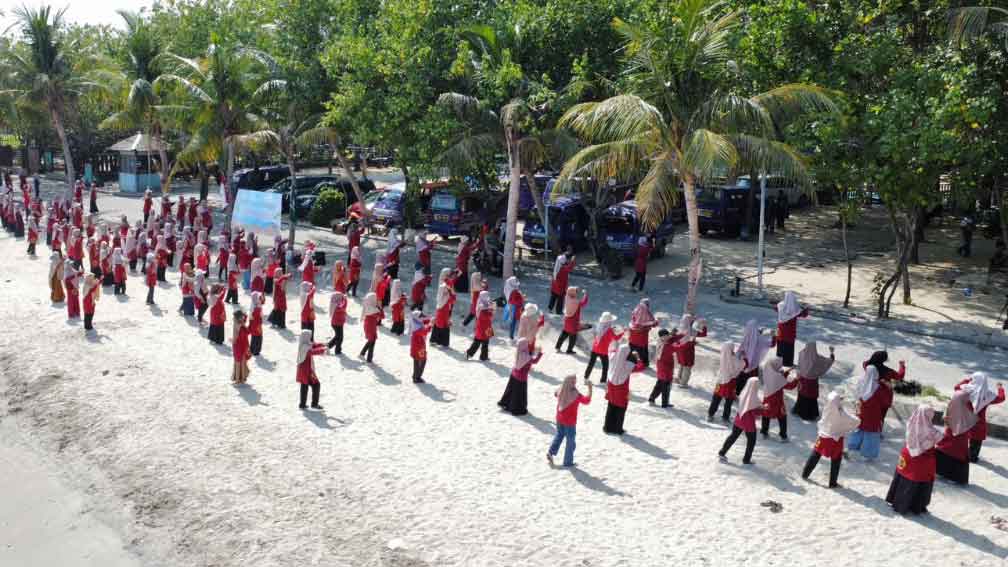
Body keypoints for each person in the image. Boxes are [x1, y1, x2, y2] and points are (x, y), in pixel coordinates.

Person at [886, 405, 944, 515]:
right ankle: (915, 506)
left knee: (903, 479)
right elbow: (940, 437)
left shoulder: (911, 423)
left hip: (907, 455)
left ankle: (897, 502)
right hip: (922, 460)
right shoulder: (931, 432)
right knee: (919, 481)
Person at [802, 392, 859, 488]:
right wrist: (857, 414)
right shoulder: (841, 413)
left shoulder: (827, 408)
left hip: (823, 436)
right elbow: (854, 421)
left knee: (815, 454)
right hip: (835, 440)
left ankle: (805, 474)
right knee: (836, 460)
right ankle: (832, 483)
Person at [955, 372, 1005, 462]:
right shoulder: (988, 395)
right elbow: (1001, 398)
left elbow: (956, 387)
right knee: (976, 442)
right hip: (979, 423)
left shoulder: (966, 389)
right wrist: (1000, 388)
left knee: (964, 439)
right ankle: (973, 457)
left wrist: (967, 380)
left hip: (966, 420)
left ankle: (963, 453)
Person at [935, 390, 978, 485]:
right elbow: (972, 421)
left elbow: (945, 418)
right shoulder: (968, 407)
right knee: (958, 453)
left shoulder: (953, 403)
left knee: (946, 450)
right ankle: (954, 477)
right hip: (961, 436)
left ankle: (940, 472)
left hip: (950, 433)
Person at [548, 375, 593, 467]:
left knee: (559, 435)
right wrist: (590, 388)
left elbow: (555, 393)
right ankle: (568, 462)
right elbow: (587, 401)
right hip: (570, 421)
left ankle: (551, 452)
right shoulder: (575, 394)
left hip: (559, 418)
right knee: (570, 441)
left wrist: (564, 385)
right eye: (574, 382)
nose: (575, 384)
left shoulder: (561, 389)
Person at [718, 377, 762, 464]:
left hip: (739, 419)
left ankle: (722, 452)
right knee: (751, 441)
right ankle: (746, 459)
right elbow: (755, 412)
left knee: (733, 436)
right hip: (748, 422)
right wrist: (763, 408)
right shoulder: (755, 398)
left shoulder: (743, 393)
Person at [603, 343, 643, 435]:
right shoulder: (628, 365)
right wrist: (637, 358)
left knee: (611, 406)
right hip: (621, 388)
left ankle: (607, 427)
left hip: (611, 386)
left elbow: (612, 350)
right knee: (621, 409)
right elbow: (640, 367)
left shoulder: (612, 358)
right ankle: (618, 429)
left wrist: (617, 348)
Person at [847, 366, 886, 460]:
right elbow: (885, 402)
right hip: (873, 413)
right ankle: (868, 454)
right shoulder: (878, 387)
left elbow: (856, 394)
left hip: (861, 410)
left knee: (859, 428)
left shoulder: (861, 381)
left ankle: (852, 448)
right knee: (871, 432)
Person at [498, 338, 543, 416]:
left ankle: (506, 403)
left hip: (514, 374)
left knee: (511, 391)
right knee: (519, 394)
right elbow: (534, 361)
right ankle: (516, 408)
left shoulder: (519, 352)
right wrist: (540, 354)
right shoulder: (526, 356)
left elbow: (529, 355)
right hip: (521, 377)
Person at [791, 342, 835, 420]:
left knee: (801, 396)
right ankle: (810, 414)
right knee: (811, 398)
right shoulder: (817, 359)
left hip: (802, 380)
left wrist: (798, 375)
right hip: (812, 382)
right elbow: (828, 362)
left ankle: (799, 411)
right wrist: (831, 353)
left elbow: (799, 366)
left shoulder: (802, 354)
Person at [760, 356, 798, 441]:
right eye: (779, 365)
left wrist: (788, 371)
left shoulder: (768, 371)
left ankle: (764, 431)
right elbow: (789, 386)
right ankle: (783, 435)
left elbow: (780, 378)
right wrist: (797, 379)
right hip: (777, 399)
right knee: (782, 416)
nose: (780, 367)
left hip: (767, 397)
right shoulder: (777, 376)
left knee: (766, 414)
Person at [865, 351, 906, 427]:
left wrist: (874, 358)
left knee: (869, 414)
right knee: (881, 417)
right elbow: (899, 376)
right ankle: (878, 432)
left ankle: (867, 429)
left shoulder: (868, 366)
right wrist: (902, 366)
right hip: (884, 397)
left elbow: (866, 362)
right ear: (884, 359)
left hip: (870, 394)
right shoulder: (888, 371)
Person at [708, 343, 747, 422]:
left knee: (716, 399)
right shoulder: (734, 359)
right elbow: (743, 365)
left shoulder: (723, 356)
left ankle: (710, 414)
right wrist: (743, 357)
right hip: (730, 383)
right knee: (729, 400)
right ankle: (725, 417)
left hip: (720, 381)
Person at [585, 312, 622, 384]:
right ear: (609, 322)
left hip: (595, 348)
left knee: (591, 364)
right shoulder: (610, 330)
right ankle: (603, 381)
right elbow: (616, 338)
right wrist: (623, 332)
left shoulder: (599, 326)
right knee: (605, 366)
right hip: (603, 351)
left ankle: (585, 378)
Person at [774, 291, 808, 366]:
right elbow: (804, 314)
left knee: (780, 348)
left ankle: (778, 363)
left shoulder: (781, 306)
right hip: (790, 334)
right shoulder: (795, 308)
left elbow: (775, 308)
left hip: (781, 333)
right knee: (789, 349)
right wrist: (805, 308)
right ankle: (788, 363)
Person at [737, 320, 771, 395]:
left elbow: (741, 349)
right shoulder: (759, 338)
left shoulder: (746, 335)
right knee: (750, 381)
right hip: (753, 365)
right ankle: (748, 395)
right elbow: (770, 343)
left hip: (743, 364)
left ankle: (737, 392)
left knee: (741, 379)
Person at [296, 329, 327, 409]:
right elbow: (311, 352)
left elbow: (313, 345)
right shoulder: (304, 347)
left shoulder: (305, 344)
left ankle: (302, 404)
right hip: (306, 370)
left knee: (304, 386)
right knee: (316, 385)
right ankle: (314, 404)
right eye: (309, 336)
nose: (310, 338)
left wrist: (323, 344)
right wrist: (323, 350)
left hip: (305, 370)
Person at [673, 315, 707, 387]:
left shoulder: (680, 328)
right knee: (687, 367)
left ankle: (679, 378)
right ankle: (683, 383)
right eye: (691, 320)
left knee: (682, 365)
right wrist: (704, 326)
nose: (693, 321)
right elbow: (703, 334)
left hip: (680, 350)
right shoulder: (691, 330)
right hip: (688, 351)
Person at [555, 287, 588, 354]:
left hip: (567, 320)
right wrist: (585, 295)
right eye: (576, 292)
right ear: (573, 293)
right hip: (573, 321)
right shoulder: (576, 302)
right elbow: (583, 303)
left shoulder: (567, 298)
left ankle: (558, 347)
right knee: (573, 338)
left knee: (564, 334)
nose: (577, 293)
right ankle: (569, 350)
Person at [649, 329, 677, 407]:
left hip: (661, 366)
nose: (668, 336)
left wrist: (672, 334)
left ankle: (652, 399)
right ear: (663, 336)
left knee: (660, 383)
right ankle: (664, 403)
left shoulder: (660, 340)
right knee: (666, 386)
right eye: (666, 335)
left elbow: (670, 337)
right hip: (665, 367)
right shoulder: (666, 345)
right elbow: (677, 348)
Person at [627, 298, 658, 366]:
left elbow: (633, 320)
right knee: (642, 351)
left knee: (631, 349)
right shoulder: (647, 313)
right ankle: (644, 364)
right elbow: (654, 323)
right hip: (642, 338)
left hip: (632, 336)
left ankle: (630, 361)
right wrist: (656, 321)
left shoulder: (636, 310)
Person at [465, 291, 495, 361]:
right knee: (477, 341)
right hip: (482, 327)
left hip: (487, 326)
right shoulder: (481, 305)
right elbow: (485, 315)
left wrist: (491, 308)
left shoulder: (486, 303)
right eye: (487, 296)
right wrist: (491, 310)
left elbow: (490, 313)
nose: (488, 297)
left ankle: (484, 356)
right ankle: (469, 353)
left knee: (486, 342)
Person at [408, 310, 433, 383]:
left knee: (417, 361)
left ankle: (415, 376)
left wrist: (431, 320)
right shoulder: (417, 327)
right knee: (421, 360)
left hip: (418, 346)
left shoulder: (416, 322)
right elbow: (425, 330)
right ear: (417, 318)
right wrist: (431, 324)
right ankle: (417, 377)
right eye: (420, 316)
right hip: (419, 347)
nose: (422, 317)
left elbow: (425, 320)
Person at [431, 276, 456, 348]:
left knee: (438, 325)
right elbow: (453, 299)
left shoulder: (442, 290)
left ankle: (434, 340)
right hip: (444, 312)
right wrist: (451, 292)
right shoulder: (446, 295)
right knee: (444, 327)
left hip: (440, 310)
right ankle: (444, 343)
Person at [548, 248, 575, 314]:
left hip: (555, 283)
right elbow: (570, 268)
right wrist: (573, 261)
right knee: (560, 299)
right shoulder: (563, 267)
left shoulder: (559, 261)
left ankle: (550, 308)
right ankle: (558, 311)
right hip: (561, 285)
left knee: (553, 296)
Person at [359, 292, 383, 363]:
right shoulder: (373, 309)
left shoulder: (368, 307)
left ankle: (362, 353)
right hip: (370, 326)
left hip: (369, 326)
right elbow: (381, 315)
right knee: (372, 342)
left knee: (371, 341)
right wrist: (379, 307)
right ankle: (369, 359)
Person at [231, 310, 251, 384]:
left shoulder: (236, 324)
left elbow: (235, 338)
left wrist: (231, 341)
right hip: (244, 345)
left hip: (238, 345)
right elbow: (248, 332)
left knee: (237, 362)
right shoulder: (242, 324)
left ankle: (237, 380)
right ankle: (243, 379)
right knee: (242, 362)